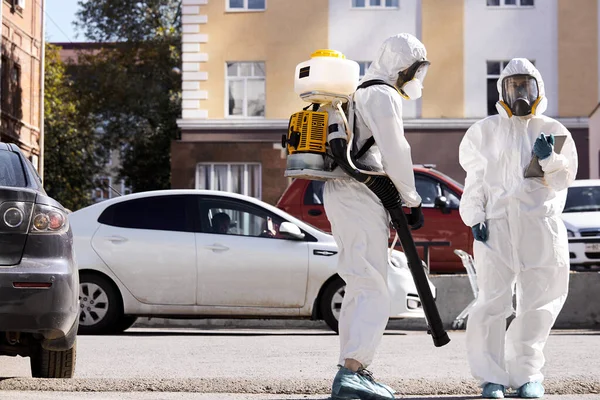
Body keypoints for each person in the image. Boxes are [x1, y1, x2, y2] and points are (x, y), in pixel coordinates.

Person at [458, 58, 578, 399]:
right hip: (496, 227)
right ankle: (491, 377)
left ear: (538, 88)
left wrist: (550, 158)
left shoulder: (553, 130)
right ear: (501, 91)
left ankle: (528, 375)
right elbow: (475, 180)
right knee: (492, 302)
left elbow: (564, 179)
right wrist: (475, 216)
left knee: (539, 302)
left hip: (540, 226)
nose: (520, 93)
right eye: (513, 87)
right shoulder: (484, 131)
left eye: (526, 86)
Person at [323, 33, 429, 400]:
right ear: (403, 67)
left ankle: (352, 370)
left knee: (358, 282)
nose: (416, 77)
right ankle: (352, 372)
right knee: (373, 287)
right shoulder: (381, 94)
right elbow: (395, 150)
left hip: (342, 191)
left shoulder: (357, 92)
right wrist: (411, 199)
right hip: (358, 193)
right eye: (416, 69)